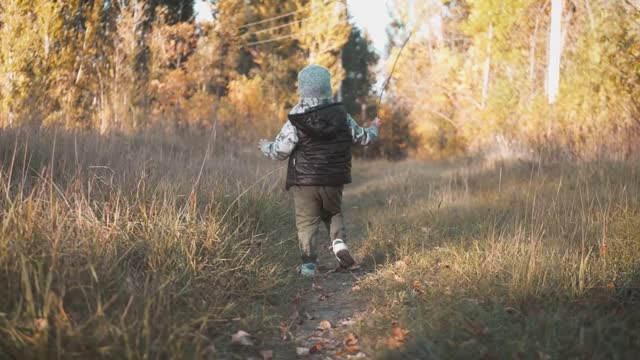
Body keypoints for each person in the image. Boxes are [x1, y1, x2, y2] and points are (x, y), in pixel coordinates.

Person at [258, 64, 381, 277]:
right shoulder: (341, 115)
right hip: (334, 179)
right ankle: (339, 244)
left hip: (304, 182)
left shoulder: (296, 118)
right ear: (328, 88)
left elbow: (280, 151)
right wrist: (374, 127)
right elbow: (363, 138)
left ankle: (308, 267)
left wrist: (264, 146)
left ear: (302, 89)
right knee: (333, 213)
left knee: (306, 222)